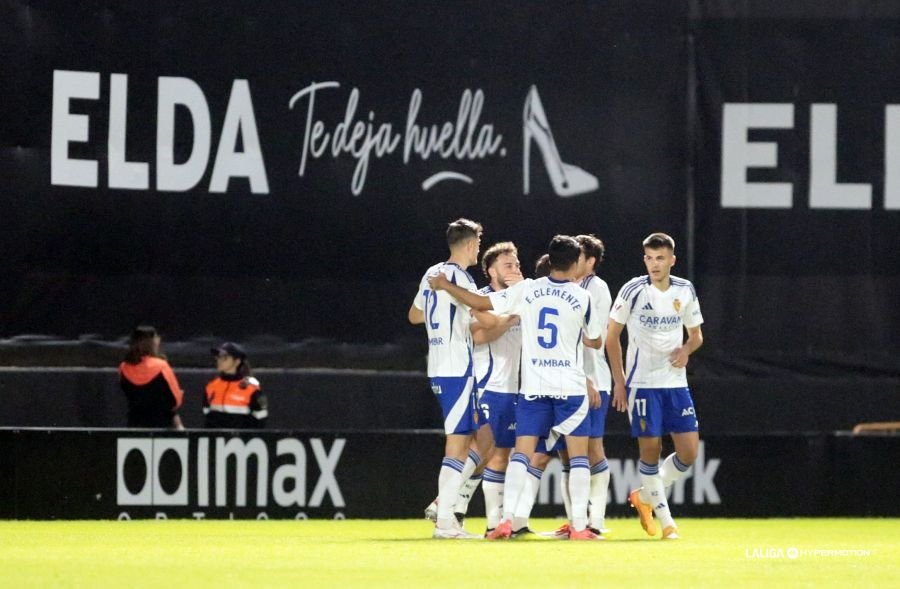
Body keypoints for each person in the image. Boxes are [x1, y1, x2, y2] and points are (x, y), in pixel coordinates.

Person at [429, 235, 604, 540]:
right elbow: (595, 339)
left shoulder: (527, 290)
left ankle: (505, 521)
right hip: (570, 387)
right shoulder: (583, 296)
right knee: (577, 457)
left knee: (519, 455)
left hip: (533, 387)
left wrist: (446, 286)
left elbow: (481, 302)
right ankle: (579, 526)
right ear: (576, 263)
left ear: (550, 258)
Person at [606, 232, 704, 540]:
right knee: (651, 449)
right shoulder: (633, 290)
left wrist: (686, 350)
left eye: (660, 258)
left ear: (672, 260)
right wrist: (619, 383)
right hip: (643, 385)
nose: (654, 264)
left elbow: (696, 336)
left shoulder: (685, 290)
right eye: (649, 258)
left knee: (689, 453)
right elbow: (612, 337)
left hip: (675, 383)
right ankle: (667, 523)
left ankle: (645, 496)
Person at [409, 218, 491, 539]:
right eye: (478, 244)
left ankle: (447, 516)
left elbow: (414, 315)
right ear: (471, 244)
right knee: (457, 446)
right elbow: (483, 310)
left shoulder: (432, 273)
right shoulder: (459, 278)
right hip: (458, 367)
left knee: (468, 441)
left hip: (438, 366)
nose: (478, 250)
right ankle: (444, 522)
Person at [119, 325, 184, 429]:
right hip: (161, 425)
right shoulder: (162, 366)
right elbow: (175, 400)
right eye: (156, 337)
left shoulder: (123, 368)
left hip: (135, 424)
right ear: (152, 342)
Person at [204, 342, 268, 428]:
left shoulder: (252, 387)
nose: (219, 360)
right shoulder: (211, 386)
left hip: (241, 440)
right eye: (218, 357)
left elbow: (261, 419)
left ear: (237, 361)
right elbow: (206, 414)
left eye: (225, 357)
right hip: (216, 439)